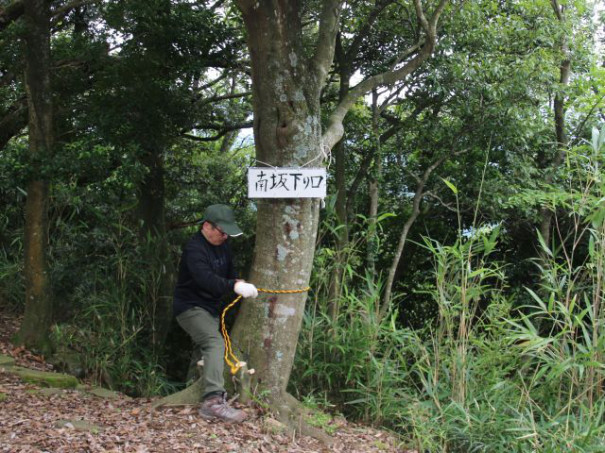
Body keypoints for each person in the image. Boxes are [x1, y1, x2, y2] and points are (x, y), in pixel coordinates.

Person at [173, 204, 258, 423]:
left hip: (212, 309)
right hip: (190, 308)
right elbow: (206, 279)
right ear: (207, 226)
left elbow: (229, 272)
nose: (225, 237)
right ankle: (212, 402)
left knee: (208, 350)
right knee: (213, 342)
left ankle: (198, 389)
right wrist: (233, 286)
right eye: (222, 232)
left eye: (228, 233)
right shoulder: (194, 249)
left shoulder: (223, 245)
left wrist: (238, 282)